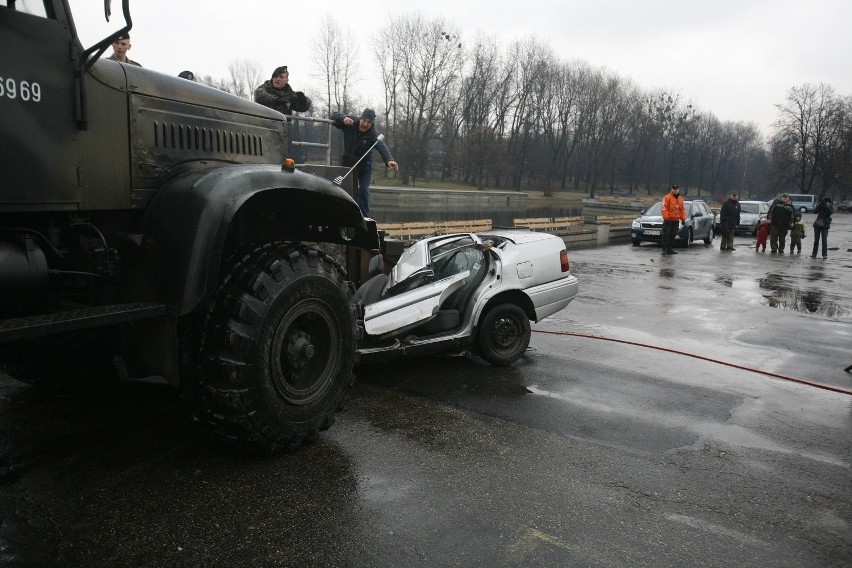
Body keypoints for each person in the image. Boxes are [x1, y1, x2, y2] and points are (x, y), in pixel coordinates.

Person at [330, 108, 399, 216]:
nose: (365, 124)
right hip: (348, 164)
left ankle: (365, 218)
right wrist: (343, 119)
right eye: (364, 120)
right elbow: (334, 116)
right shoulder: (350, 123)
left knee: (363, 191)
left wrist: (389, 160)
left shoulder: (373, 134)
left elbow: (381, 146)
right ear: (360, 118)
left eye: (369, 122)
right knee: (347, 191)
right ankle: (344, 215)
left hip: (364, 168)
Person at [660, 184, 686, 255]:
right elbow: (664, 208)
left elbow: (682, 210)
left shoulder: (680, 198)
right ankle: (664, 249)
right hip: (668, 221)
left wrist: (683, 218)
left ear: (678, 189)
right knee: (666, 235)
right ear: (672, 189)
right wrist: (666, 218)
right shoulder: (667, 197)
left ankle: (670, 249)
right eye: (674, 189)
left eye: (676, 189)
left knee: (673, 235)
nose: (675, 190)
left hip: (676, 220)